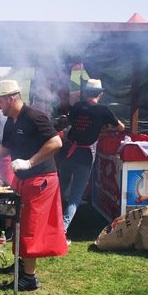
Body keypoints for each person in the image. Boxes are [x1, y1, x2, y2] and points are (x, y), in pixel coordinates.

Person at [0, 80, 68, 291]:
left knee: (31, 227)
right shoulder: (10, 121)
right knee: (20, 223)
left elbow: (56, 143)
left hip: (41, 180)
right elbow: (5, 147)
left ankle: (29, 278)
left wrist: (30, 162)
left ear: (11, 98)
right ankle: (22, 266)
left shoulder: (34, 116)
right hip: (23, 180)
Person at [59, 79, 124, 235]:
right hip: (85, 156)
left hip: (68, 152)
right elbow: (121, 127)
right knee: (75, 196)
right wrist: (104, 126)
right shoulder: (103, 111)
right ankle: (62, 229)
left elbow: (70, 123)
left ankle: (51, 221)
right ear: (100, 94)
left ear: (85, 92)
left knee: (60, 189)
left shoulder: (77, 107)